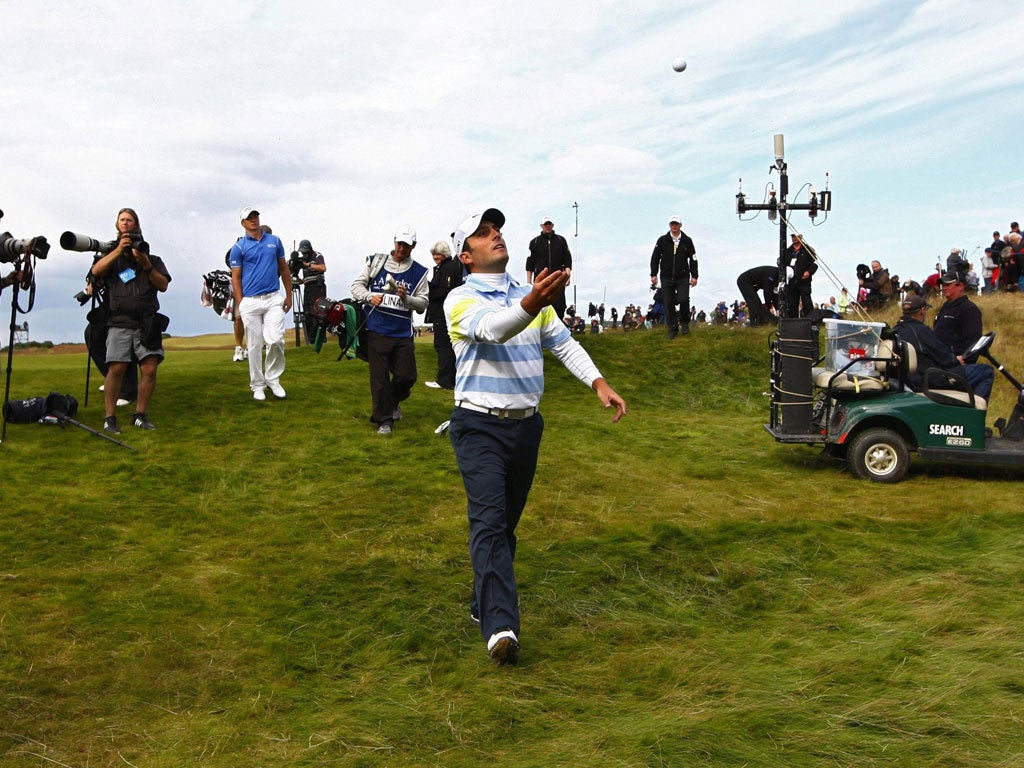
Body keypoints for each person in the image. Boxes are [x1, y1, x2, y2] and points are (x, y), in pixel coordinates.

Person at [444, 207, 626, 665]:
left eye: (497, 230)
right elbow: (494, 331)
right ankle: (501, 626)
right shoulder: (460, 299)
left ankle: (482, 601)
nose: (496, 236)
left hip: (526, 427)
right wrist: (531, 304)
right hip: (478, 425)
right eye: (483, 235)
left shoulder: (531, 295)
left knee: (503, 526)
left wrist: (598, 382)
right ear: (466, 256)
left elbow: (563, 342)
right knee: (488, 521)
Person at [89, 207, 171, 433]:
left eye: (130, 220)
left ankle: (140, 414)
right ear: (117, 225)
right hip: (119, 322)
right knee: (116, 368)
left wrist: (145, 264)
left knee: (150, 368)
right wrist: (118, 251)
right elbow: (96, 271)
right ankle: (109, 417)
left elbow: (162, 285)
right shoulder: (112, 259)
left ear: (137, 225)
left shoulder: (152, 259)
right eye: (122, 220)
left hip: (146, 322)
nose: (125, 223)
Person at [349, 225, 429, 434]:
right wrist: (369, 296)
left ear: (414, 246)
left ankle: (391, 402)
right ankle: (384, 420)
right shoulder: (376, 262)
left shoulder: (419, 272)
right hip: (376, 329)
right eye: (400, 243)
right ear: (394, 241)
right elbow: (356, 286)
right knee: (380, 378)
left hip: (402, 333)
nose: (402, 248)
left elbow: (422, 304)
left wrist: (407, 298)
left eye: (407, 245)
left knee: (407, 377)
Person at [228, 207, 292, 401]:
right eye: (249, 218)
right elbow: (236, 278)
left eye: (255, 216)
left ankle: (273, 379)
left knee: (275, 340)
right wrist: (241, 302)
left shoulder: (275, 241)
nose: (254, 220)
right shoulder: (238, 248)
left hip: (273, 298)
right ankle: (257, 384)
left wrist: (288, 295)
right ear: (243, 223)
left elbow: (283, 268)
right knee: (254, 345)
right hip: (250, 301)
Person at [894, 294, 993, 401]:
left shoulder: (896, 330)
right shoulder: (922, 331)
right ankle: (974, 412)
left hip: (910, 379)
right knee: (986, 371)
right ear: (922, 311)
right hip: (928, 379)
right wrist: (957, 360)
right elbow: (945, 358)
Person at [650, 215, 698, 338]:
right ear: (669, 225)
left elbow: (693, 259)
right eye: (672, 224)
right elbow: (655, 257)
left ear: (680, 225)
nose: (674, 226)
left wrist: (694, 276)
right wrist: (653, 274)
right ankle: (672, 329)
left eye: (676, 224)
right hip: (666, 277)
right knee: (668, 303)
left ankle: (685, 324)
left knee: (683, 299)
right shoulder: (662, 240)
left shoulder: (687, 240)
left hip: (682, 276)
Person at [424, 240, 463, 389]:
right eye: (433, 255)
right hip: (444, 312)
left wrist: (428, 291)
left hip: (443, 313)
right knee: (446, 346)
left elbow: (446, 291)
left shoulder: (447, 268)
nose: (434, 257)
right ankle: (451, 379)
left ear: (444, 254)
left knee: (443, 346)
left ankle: (445, 380)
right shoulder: (445, 267)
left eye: (437, 254)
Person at [525, 216, 572, 322]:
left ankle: (558, 330)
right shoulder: (535, 242)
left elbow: (567, 259)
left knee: (560, 306)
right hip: (541, 280)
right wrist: (528, 282)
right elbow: (530, 263)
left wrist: (567, 276)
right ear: (541, 226)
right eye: (545, 224)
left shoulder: (561, 240)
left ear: (553, 225)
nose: (547, 226)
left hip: (558, 279)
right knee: (541, 306)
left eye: (549, 224)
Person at [294, 239, 327, 344]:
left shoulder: (317, 256)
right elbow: (307, 278)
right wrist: (299, 281)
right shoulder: (302, 259)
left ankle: (320, 338)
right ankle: (310, 339)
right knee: (307, 312)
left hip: (318, 287)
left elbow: (323, 268)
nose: (304, 253)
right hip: (308, 288)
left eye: (305, 251)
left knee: (317, 311)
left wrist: (308, 265)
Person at [781, 233, 816, 317]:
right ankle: (793, 322)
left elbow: (814, 264)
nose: (794, 238)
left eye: (796, 236)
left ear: (801, 237)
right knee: (792, 304)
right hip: (792, 282)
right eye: (792, 236)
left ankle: (811, 320)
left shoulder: (808, 249)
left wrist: (809, 272)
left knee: (807, 302)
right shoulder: (787, 251)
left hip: (804, 282)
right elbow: (782, 265)